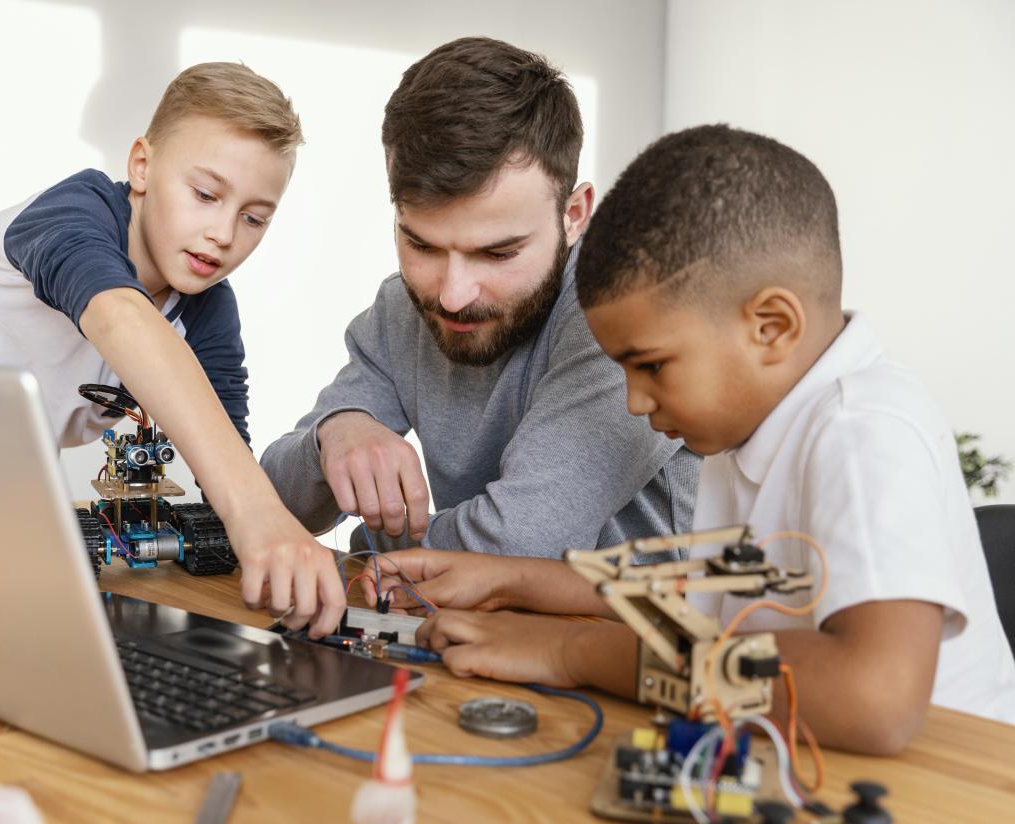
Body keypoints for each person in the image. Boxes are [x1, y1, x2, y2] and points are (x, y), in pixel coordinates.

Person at [372, 124, 1015, 754]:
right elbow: (708, 595)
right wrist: (508, 579)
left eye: (650, 366)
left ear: (771, 326)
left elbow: (874, 698)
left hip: (949, 809)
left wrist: (574, 651)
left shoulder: (863, 430)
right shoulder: (758, 423)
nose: (634, 400)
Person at [0, 63, 346, 634]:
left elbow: (223, 460)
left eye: (254, 218)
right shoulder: (73, 214)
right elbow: (118, 317)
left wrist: (279, 539)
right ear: (141, 165)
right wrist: (255, 514)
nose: (224, 233)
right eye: (206, 194)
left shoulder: (205, 307)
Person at [260, 37, 699, 557]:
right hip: (464, 622)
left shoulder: (621, 317)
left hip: (634, 633)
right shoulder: (402, 308)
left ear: (575, 214)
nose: (452, 296)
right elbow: (271, 501)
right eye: (422, 244)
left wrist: (371, 547)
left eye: (498, 253)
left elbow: (520, 541)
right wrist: (335, 434)